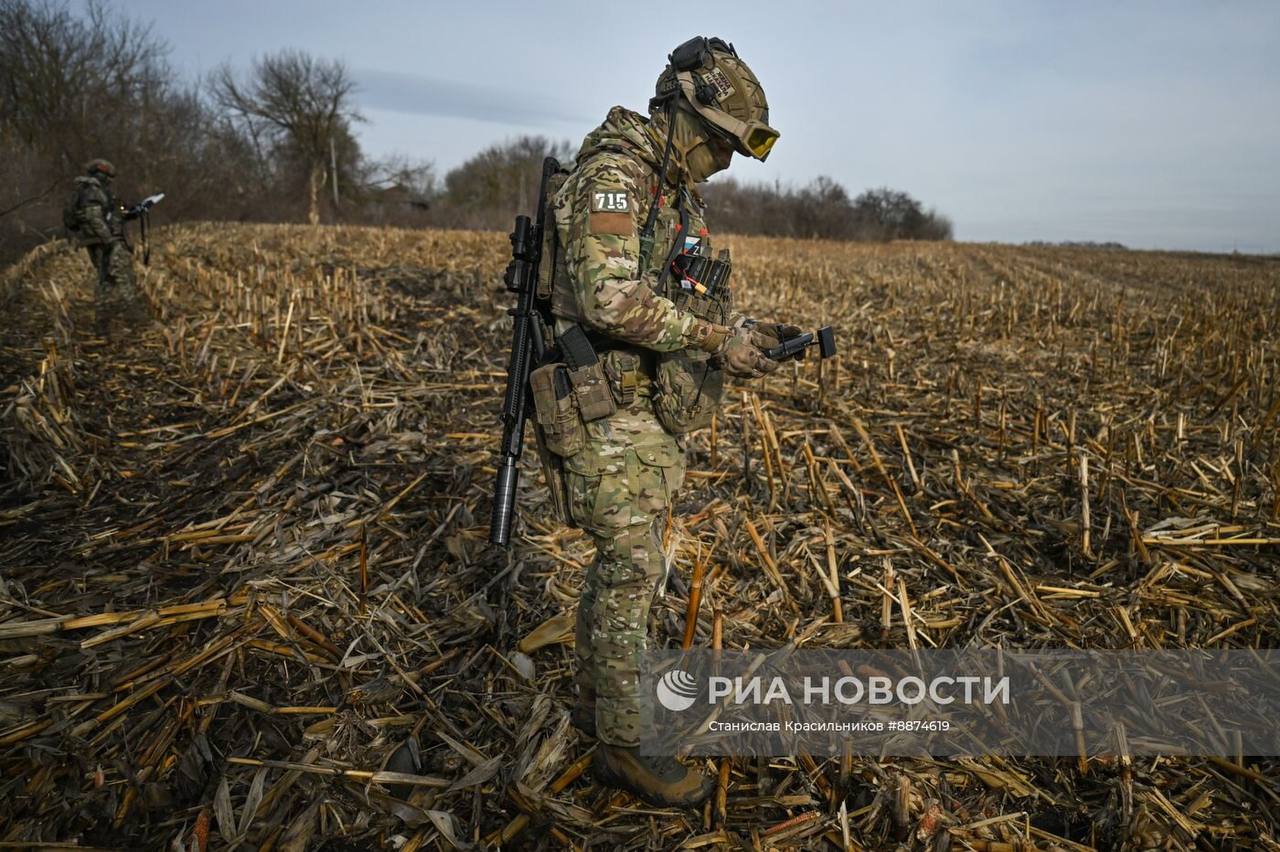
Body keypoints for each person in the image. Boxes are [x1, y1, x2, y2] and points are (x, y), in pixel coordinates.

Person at [540, 36, 798, 806]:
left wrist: (744, 331)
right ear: (683, 115)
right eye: (718, 144)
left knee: (631, 564)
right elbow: (607, 299)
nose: (721, 161)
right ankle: (623, 743)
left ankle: (599, 705)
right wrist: (717, 340)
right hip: (601, 403)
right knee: (633, 570)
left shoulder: (672, 189)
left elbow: (677, 297)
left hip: (636, 408)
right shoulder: (617, 176)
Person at [65, 159, 144, 333]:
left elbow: (112, 213)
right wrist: (109, 240)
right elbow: (95, 218)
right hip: (102, 241)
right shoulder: (93, 191)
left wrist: (132, 213)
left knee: (106, 277)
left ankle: (103, 319)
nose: (110, 180)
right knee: (123, 273)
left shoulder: (97, 191)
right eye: (108, 177)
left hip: (99, 240)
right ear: (102, 175)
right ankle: (132, 314)